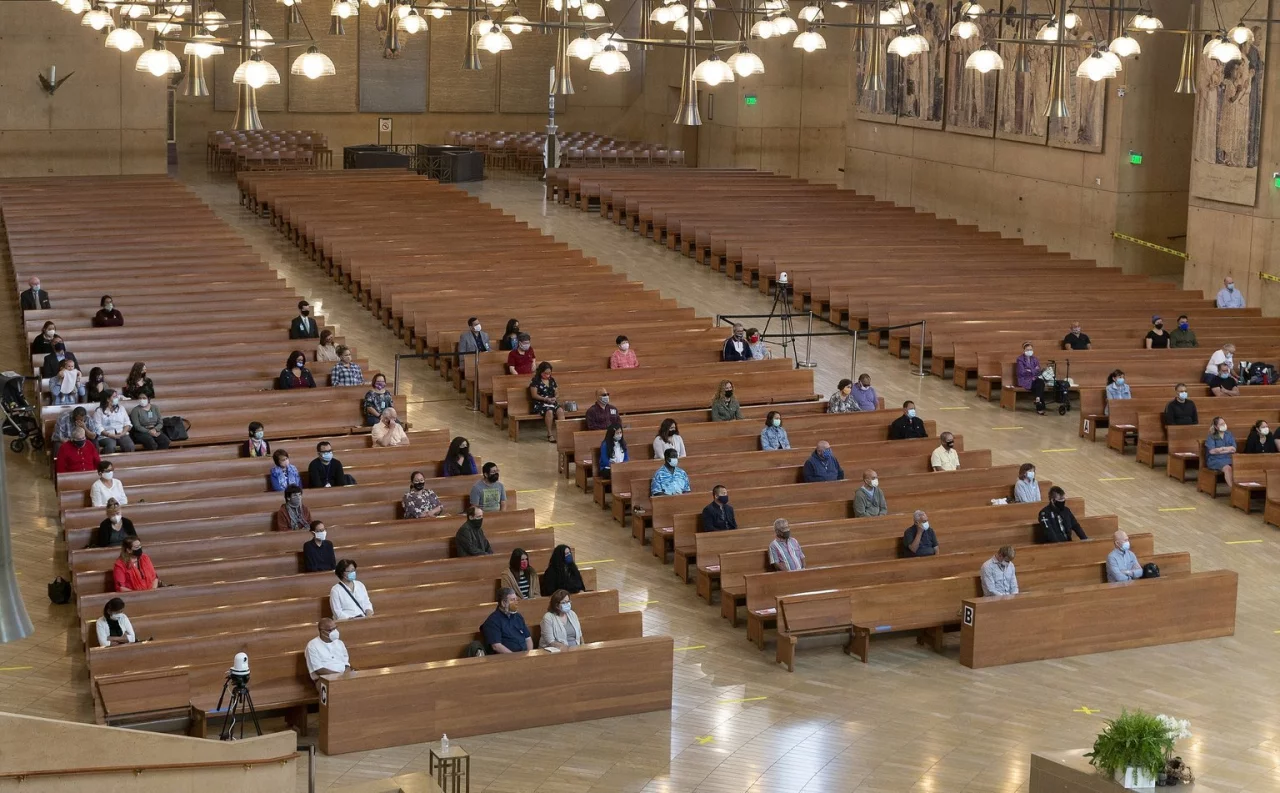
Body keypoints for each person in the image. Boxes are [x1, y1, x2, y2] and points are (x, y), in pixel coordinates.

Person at [481, 588, 532, 654]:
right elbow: (496, 646)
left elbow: (528, 639)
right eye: (512, 600)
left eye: (516, 600)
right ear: (503, 603)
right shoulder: (492, 621)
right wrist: (515, 657)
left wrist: (529, 654)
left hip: (524, 655)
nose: (516, 603)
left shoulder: (518, 617)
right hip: (507, 657)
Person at [305, 618, 351, 690]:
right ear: (323, 632)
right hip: (325, 679)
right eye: (331, 630)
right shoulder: (312, 645)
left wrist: (347, 674)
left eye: (335, 628)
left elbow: (346, 664)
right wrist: (339, 676)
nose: (335, 631)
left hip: (344, 676)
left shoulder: (339, 643)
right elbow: (319, 670)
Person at [529, 363, 566, 442]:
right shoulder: (535, 381)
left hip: (551, 402)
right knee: (549, 411)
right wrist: (545, 399)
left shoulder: (552, 380)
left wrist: (555, 398)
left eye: (549, 373)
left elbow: (557, 392)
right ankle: (550, 434)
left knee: (560, 411)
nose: (547, 375)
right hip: (540, 403)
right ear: (540, 372)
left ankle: (562, 433)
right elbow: (534, 395)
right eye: (545, 373)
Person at [1014, 342, 1048, 415]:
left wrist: (1029, 370)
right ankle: (1040, 407)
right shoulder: (1020, 359)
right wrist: (1033, 370)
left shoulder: (1035, 359)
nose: (1029, 351)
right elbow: (1022, 372)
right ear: (1024, 350)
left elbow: (1038, 370)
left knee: (1041, 382)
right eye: (1027, 349)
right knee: (1038, 387)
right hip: (1024, 380)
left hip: (1034, 378)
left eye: (1031, 349)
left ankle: (1037, 399)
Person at [1205, 417, 1236, 487]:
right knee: (1228, 468)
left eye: (1224, 423)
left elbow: (1233, 449)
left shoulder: (1229, 434)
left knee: (1238, 466)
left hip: (1228, 458)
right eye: (1221, 424)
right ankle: (1233, 488)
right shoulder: (1211, 436)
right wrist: (1227, 450)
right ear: (1216, 427)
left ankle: (1240, 488)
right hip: (1215, 459)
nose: (1224, 425)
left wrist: (1221, 449)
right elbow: (1212, 451)